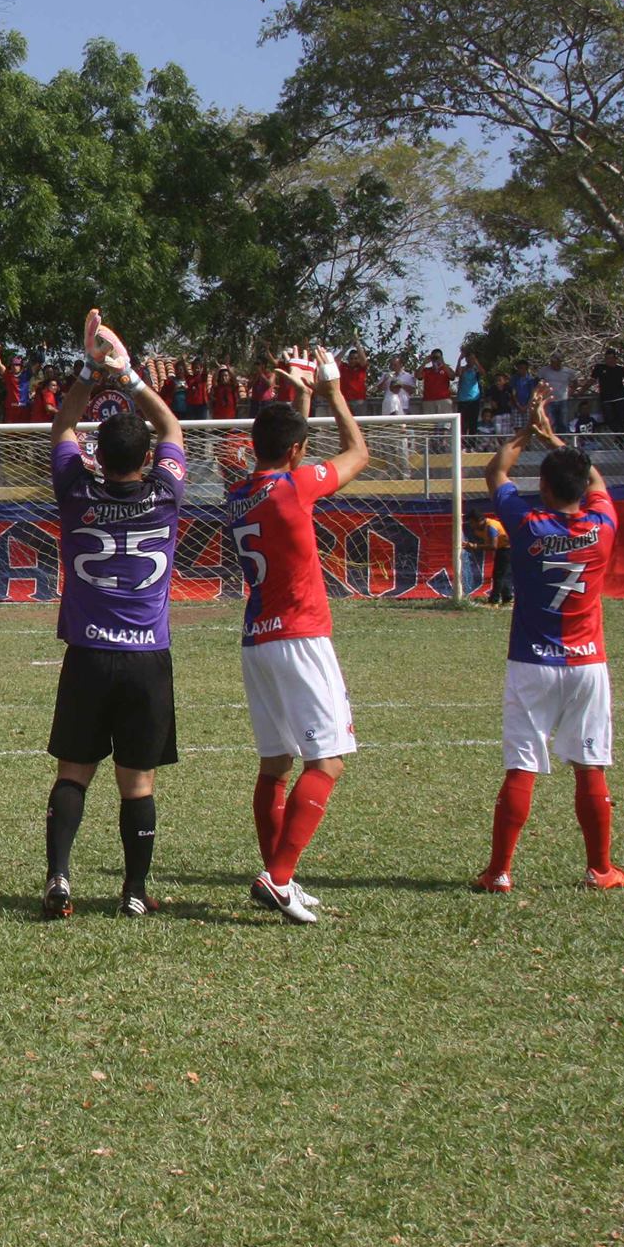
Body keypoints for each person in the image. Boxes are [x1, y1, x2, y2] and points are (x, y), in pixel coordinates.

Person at [41, 312, 186, 919]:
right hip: (146, 657)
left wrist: (88, 371)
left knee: (74, 772)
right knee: (138, 782)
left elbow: (62, 426)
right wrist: (127, 377)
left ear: (95, 456)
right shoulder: (167, 492)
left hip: (88, 654)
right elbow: (171, 424)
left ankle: (59, 878)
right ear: (148, 457)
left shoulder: (77, 490)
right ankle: (133, 891)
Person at [227, 346, 369, 924]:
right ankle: (279, 877)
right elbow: (358, 454)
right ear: (296, 451)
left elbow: (285, 455)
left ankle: (279, 876)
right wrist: (333, 392)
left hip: (257, 639)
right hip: (300, 635)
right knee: (327, 761)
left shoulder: (240, 493)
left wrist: (300, 399)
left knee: (275, 765)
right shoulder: (296, 486)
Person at [477, 392, 624, 892]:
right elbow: (596, 481)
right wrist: (554, 439)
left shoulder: (527, 524)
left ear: (542, 488)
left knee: (521, 766)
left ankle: (499, 872)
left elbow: (495, 471)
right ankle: (600, 870)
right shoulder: (602, 524)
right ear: (581, 489)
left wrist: (527, 430)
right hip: (587, 664)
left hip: (532, 663)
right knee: (589, 764)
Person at [465, 509, 511, 605]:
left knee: (498, 575)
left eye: (472, 522)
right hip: (502, 549)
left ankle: (494, 601)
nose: (471, 525)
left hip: (507, 549)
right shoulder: (482, 528)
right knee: (502, 575)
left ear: (479, 521)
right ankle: (507, 598)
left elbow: (493, 546)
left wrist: (475, 546)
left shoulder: (491, 527)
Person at [590, 348, 624, 431]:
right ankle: (617, 435)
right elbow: (591, 380)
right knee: (609, 420)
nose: (610, 360)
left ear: (615, 359)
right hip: (606, 399)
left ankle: (621, 436)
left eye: (612, 358)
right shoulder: (599, 368)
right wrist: (581, 391)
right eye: (607, 358)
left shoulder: (621, 369)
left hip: (619, 398)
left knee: (620, 420)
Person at [536, 359, 574, 431]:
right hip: (549, 400)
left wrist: (570, 393)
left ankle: (563, 437)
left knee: (563, 422)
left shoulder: (568, 371)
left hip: (563, 400)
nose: (554, 364)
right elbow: (537, 383)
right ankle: (550, 436)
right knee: (550, 422)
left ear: (560, 362)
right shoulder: (544, 371)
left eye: (556, 362)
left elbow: (575, 383)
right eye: (553, 362)